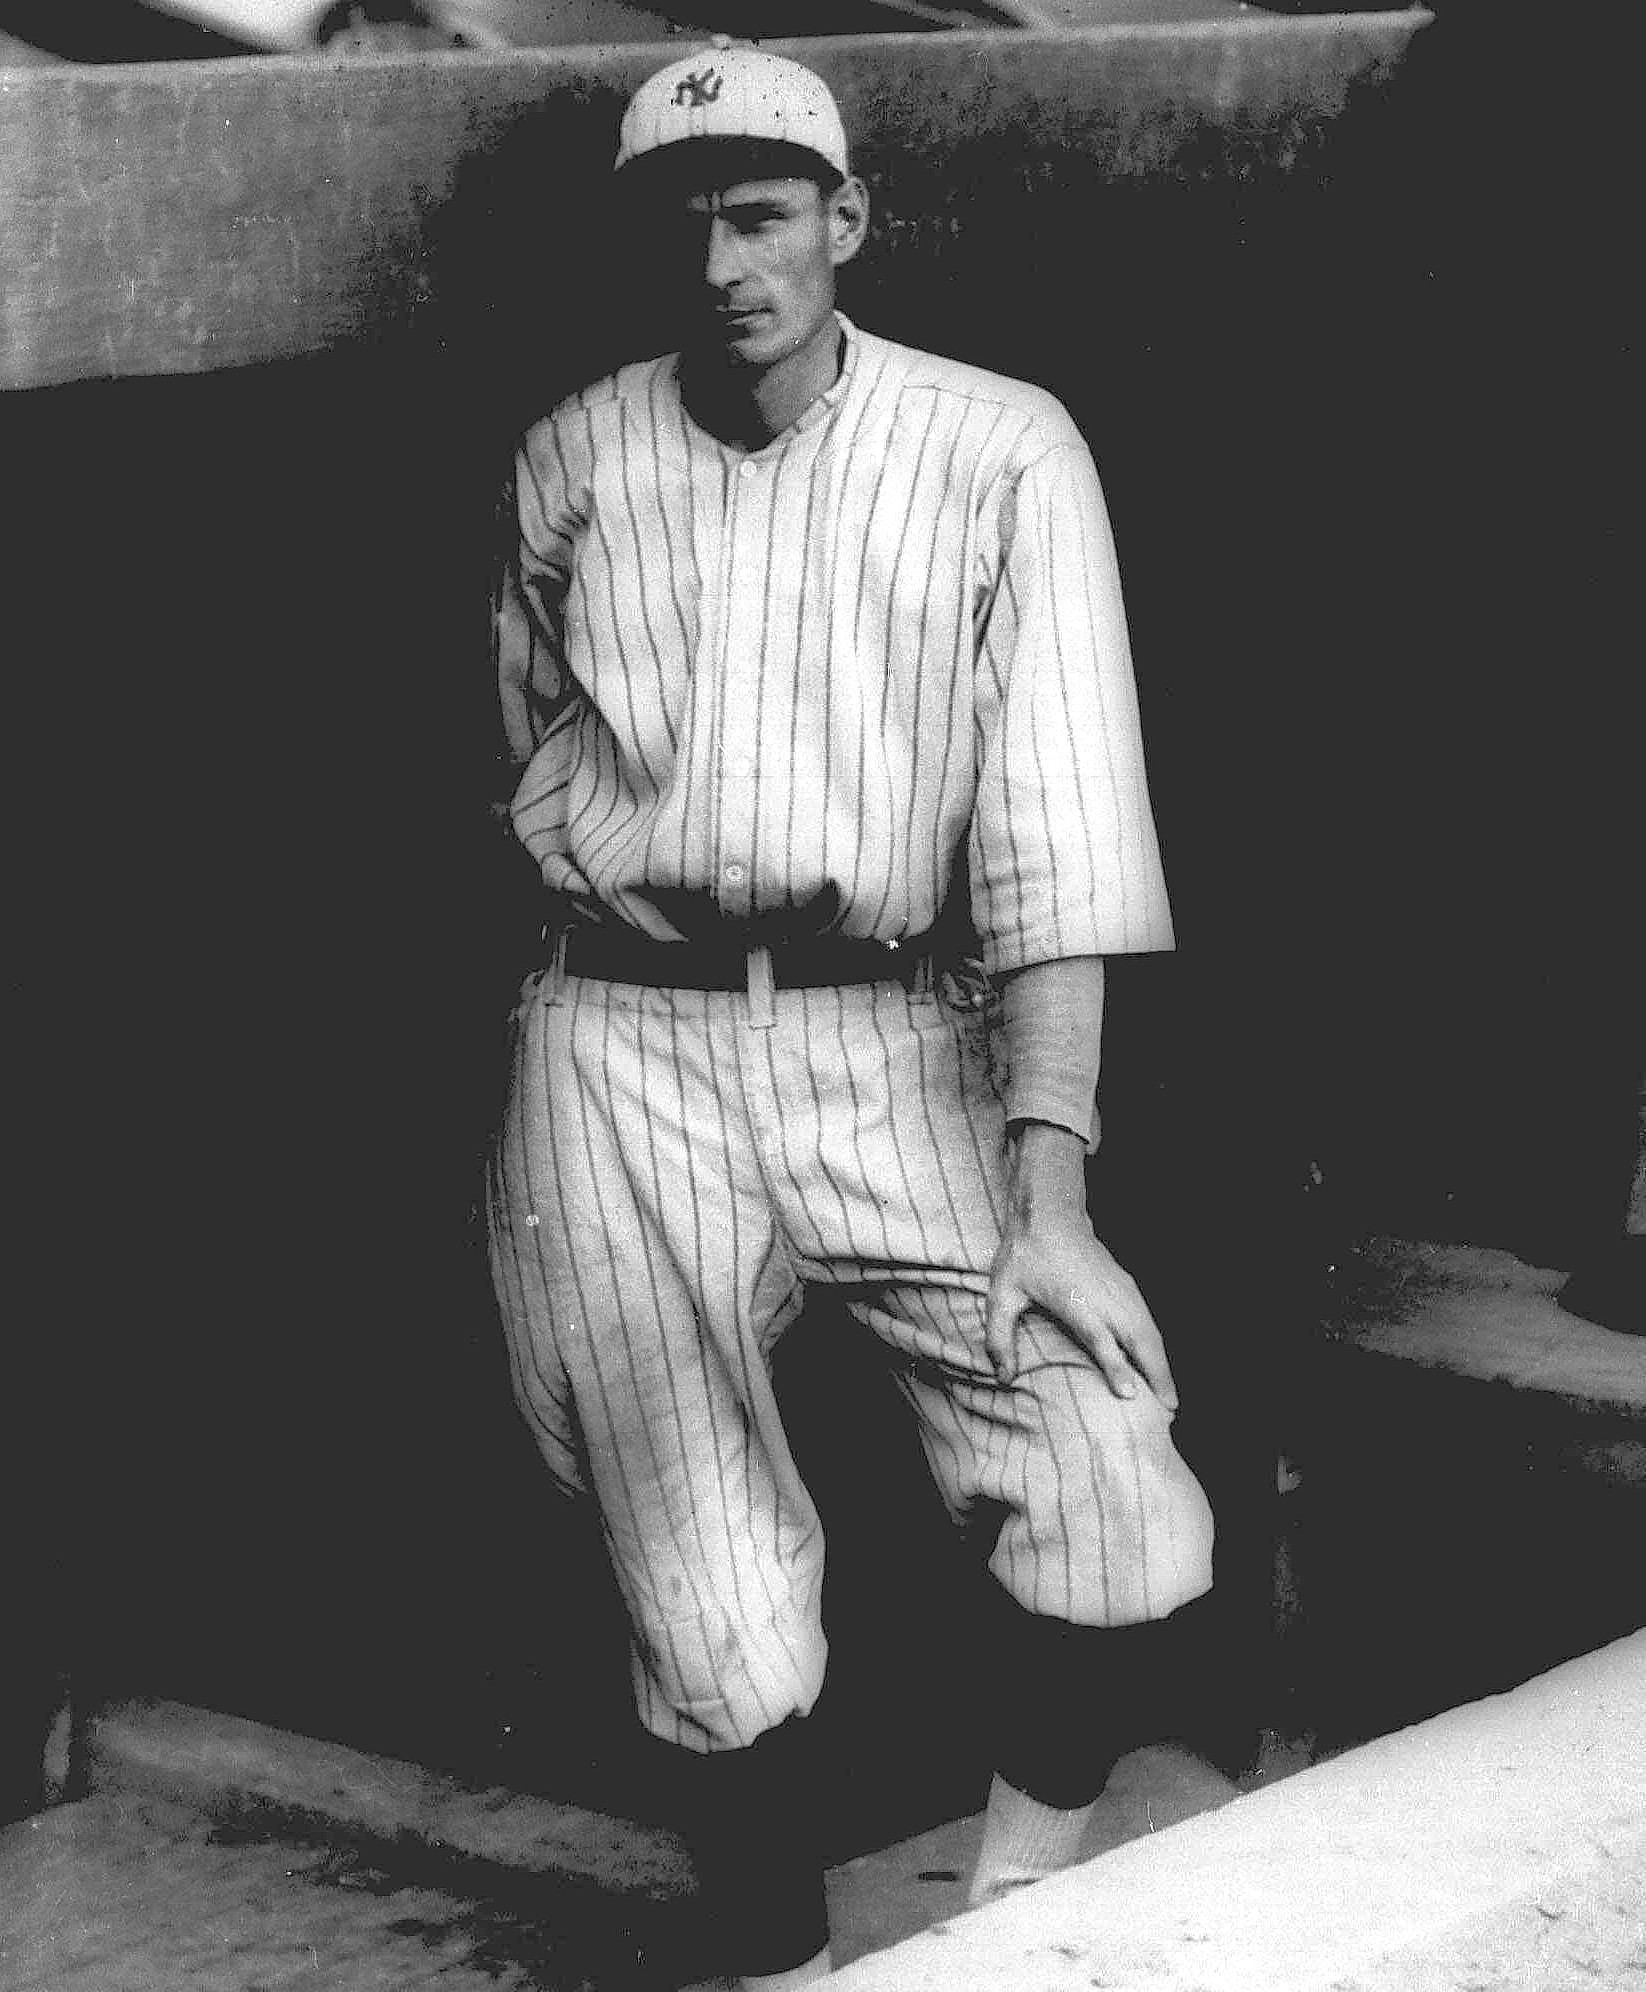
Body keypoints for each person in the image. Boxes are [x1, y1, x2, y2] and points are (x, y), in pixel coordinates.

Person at [487, 44, 1215, 1988]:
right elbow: (531, 766)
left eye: (762, 213)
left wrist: (1049, 1183)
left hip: (901, 1033)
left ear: (844, 221)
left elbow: (1059, 834)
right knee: (703, 1593)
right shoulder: (575, 453)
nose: (726, 261)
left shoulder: (997, 448)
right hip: (620, 1047)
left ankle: (1017, 1914)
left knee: (1104, 1487)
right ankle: (774, 1964)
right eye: (686, 223)